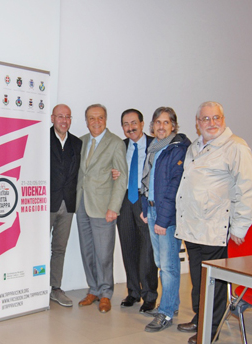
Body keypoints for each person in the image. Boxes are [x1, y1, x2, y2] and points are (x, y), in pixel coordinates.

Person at [175, 101, 252, 344]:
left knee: (214, 282)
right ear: (197, 123)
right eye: (206, 118)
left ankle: (211, 327)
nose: (211, 123)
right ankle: (199, 317)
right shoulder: (195, 147)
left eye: (216, 118)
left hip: (215, 226)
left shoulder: (236, 147)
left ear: (223, 119)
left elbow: (249, 188)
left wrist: (240, 226)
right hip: (192, 226)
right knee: (198, 279)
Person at [140, 107, 191, 332]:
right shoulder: (155, 148)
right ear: (153, 126)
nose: (161, 126)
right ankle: (172, 304)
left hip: (166, 216)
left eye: (166, 122)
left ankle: (166, 313)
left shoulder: (177, 149)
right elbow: (148, 182)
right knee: (161, 263)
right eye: (158, 122)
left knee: (168, 267)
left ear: (173, 126)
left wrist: (163, 219)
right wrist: (146, 208)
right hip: (153, 211)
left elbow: (173, 188)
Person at [76, 104, 128, 313]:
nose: (96, 122)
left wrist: (114, 207)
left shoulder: (115, 143)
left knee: (104, 253)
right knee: (87, 251)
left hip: (104, 207)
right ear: (86, 121)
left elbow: (121, 177)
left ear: (105, 119)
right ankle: (94, 289)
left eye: (100, 118)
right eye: (91, 118)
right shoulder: (81, 141)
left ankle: (106, 293)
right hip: (82, 205)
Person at [116, 109, 159, 313]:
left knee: (147, 251)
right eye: (126, 124)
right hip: (125, 200)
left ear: (142, 124)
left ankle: (149, 295)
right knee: (128, 247)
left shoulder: (155, 144)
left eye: (134, 122)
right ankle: (133, 292)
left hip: (145, 199)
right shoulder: (120, 146)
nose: (130, 127)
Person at [49, 104, 82, 307]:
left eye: (67, 116)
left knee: (59, 248)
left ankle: (55, 288)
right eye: (60, 116)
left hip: (68, 204)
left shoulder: (77, 143)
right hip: (45, 204)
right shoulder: (42, 139)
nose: (64, 120)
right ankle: (34, 288)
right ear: (52, 118)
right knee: (37, 247)